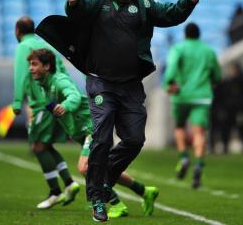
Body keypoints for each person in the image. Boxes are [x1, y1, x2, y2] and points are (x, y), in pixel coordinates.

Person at [35, 0, 202, 221]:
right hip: (101, 83)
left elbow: (168, 14)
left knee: (135, 140)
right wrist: (73, 3)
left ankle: (104, 183)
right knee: (101, 139)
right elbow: (77, 13)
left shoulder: (141, 2)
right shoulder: (95, 1)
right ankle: (97, 200)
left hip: (131, 85)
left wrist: (189, 1)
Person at [27, 48, 159, 218]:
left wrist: (66, 106)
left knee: (85, 168)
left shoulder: (59, 80)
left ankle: (116, 204)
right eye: (30, 64)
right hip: (81, 133)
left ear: (46, 66)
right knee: (104, 169)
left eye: (34, 64)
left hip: (92, 129)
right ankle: (144, 191)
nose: (30, 68)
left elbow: (73, 96)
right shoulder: (44, 85)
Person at [12, 16, 80, 210]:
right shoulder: (45, 46)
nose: (33, 67)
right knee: (46, 145)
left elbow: (20, 75)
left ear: (17, 31)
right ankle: (69, 183)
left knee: (38, 146)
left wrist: (17, 101)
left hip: (41, 103)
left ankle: (55, 191)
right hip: (54, 101)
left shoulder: (23, 48)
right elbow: (62, 74)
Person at [163, 23, 221, 188]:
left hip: (181, 95)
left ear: (185, 35)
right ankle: (199, 166)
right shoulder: (208, 51)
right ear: (199, 35)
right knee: (199, 132)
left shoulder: (179, 49)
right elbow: (217, 75)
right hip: (202, 96)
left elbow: (172, 66)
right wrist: (212, 82)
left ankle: (183, 158)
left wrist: (169, 82)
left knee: (180, 127)